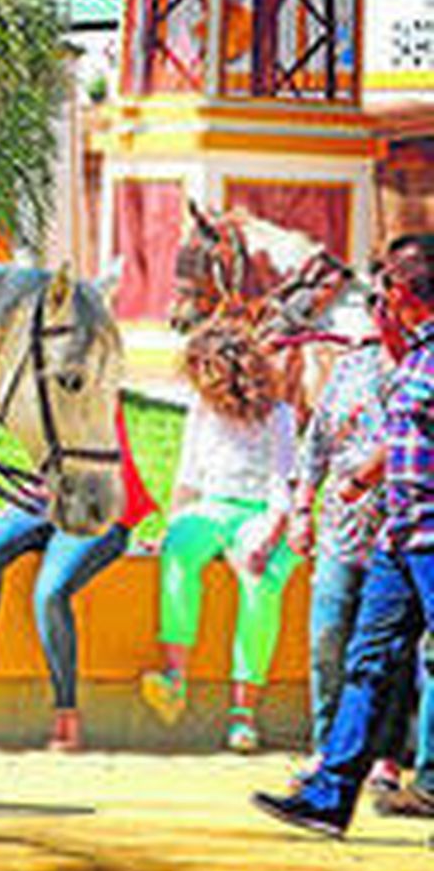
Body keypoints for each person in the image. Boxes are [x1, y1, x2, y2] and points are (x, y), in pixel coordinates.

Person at [252, 233, 434, 837]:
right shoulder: (414, 356)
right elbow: (406, 434)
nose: (377, 301)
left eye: (383, 288)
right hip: (400, 540)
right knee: (367, 661)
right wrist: (363, 478)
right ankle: (330, 796)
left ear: (402, 290)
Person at [0, 405, 157, 751]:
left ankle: (66, 712)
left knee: (49, 593)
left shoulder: (92, 394)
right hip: (51, 500)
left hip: (103, 506)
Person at [139, 317, 302, 753]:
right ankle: (175, 678)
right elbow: (188, 477)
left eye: (203, 370)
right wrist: (171, 526)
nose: (197, 381)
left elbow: (282, 483)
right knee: (178, 549)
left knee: (261, 581)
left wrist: (269, 538)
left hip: (262, 512)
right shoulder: (201, 410)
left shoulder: (279, 415)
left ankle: (243, 712)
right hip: (212, 506)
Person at [287, 275, 408, 796]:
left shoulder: (420, 368)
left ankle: (385, 756)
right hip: (341, 529)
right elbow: (315, 443)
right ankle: (326, 746)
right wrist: (301, 508)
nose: (382, 313)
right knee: (328, 639)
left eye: (390, 304)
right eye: (376, 304)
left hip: (399, 531)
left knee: (392, 652)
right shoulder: (351, 368)